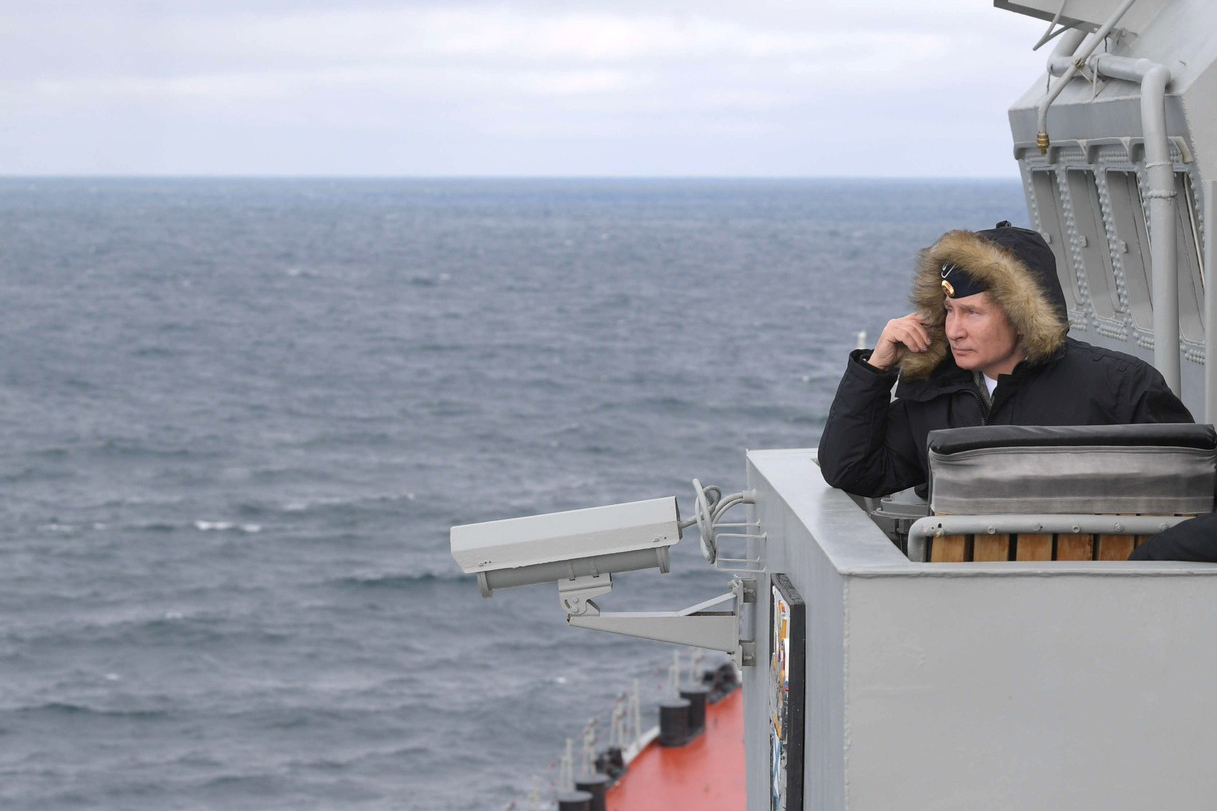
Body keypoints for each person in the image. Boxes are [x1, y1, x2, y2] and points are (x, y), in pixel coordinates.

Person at [818, 221, 1194, 498]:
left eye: (972, 313)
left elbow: (1187, 489)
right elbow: (852, 471)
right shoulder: (934, 391)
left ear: (1022, 316)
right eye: (949, 310)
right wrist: (876, 368)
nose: (954, 330)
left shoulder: (1120, 387)